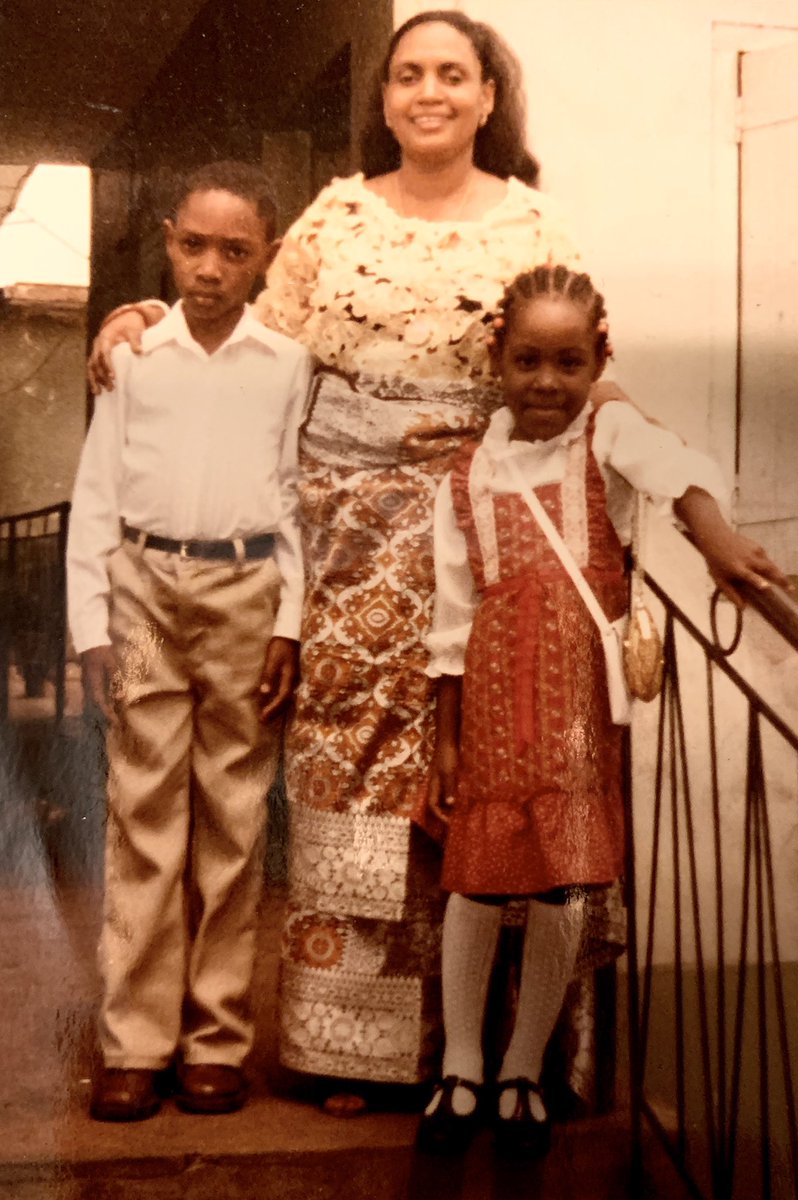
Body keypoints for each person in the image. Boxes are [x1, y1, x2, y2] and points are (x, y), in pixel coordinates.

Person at [87, 11, 620, 1113]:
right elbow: (241, 339)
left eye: (452, 76)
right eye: (408, 75)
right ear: (384, 99)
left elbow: (578, 364)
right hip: (340, 539)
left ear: (485, 97)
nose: (429, 92)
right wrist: (138, 313)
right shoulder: (333, 217)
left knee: (488, 766)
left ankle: (478, 1057)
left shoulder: (535, 225)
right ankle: (350, 1051)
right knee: (352, 771)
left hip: (485, 525)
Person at [417, 263, 788, 1158]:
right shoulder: (468, 472)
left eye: (569, 363)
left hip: (580, 696)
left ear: (599, 364)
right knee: (476, 874)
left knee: (560, 877)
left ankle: (520, 1068)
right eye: (527, 361)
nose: (547, 383)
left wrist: (719, 542)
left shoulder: (605, 435)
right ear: (496, 361)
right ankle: (460, 1068)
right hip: (498, 696)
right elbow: (451, 614)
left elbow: (676, 471)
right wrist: (446, 737)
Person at [68, 161, 311, 1122]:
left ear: (266, 260)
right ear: (167, 240)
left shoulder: (286, 366)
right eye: (193, 245)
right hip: (143, 590)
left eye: (234, 251)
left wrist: (288, 619)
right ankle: (132, 1041)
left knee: (234, 819)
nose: (209, 268)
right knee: (141, 817)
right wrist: (92, 625)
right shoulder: (131, 358)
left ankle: (215, 1038)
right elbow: (95, 496)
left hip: (246, 591)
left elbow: (295, 503)